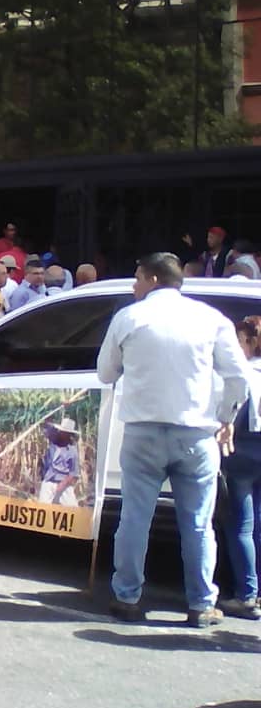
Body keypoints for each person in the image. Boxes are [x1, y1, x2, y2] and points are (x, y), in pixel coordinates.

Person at [97, 252, 250, 628]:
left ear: (151, 279)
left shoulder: (129, 317)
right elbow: (239, 378)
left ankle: (127, 597)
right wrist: (226, 418)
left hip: (143, 433)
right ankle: (201, 603)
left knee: (134, 519)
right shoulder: (210, 319)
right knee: (198, 524)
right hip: (196, 434)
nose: (134, 286)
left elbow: (105, 373)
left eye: (136, 278)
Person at [220, 317, 261, 620]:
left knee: (241, 526)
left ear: (249, 342)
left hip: (242, 453)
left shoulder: (243, 373)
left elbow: (230, 413)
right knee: (258, 525)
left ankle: (246, 594)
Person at [37, 418, 80, 506]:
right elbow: (47, 424)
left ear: (69, 435)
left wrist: (62, 485)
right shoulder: (53, 441)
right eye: (61, 431)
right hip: (49, 480)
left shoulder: (72, 451)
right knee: (42, 507)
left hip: (63, 482)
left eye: (65, 432)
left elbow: (73, 473)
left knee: (72, 509)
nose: (62, 434)